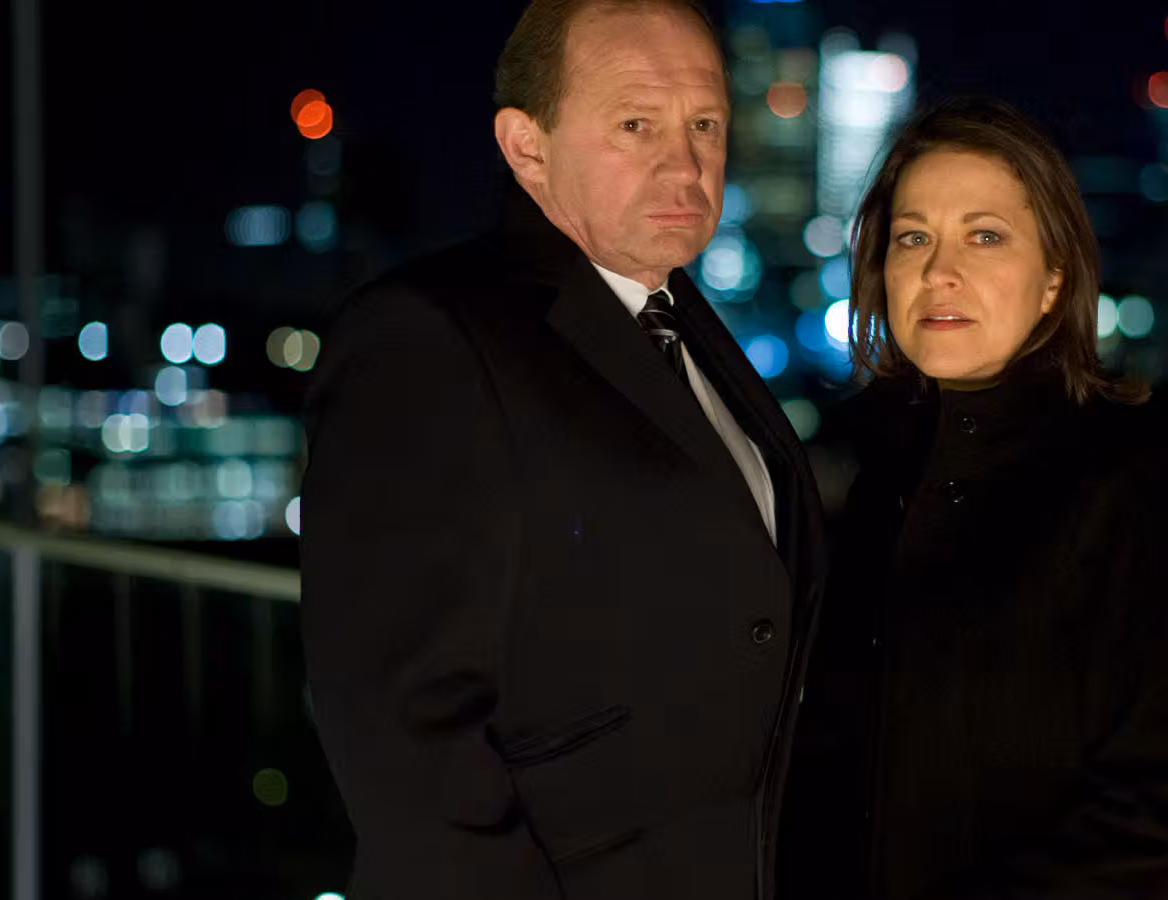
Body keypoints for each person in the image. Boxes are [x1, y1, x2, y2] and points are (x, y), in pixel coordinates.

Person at [299, 1, 827, 897]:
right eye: (636, 125)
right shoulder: (425, 337)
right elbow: (400, 729)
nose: (685, 163)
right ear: (527, 147)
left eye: (704, 124)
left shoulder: (681, 317)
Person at [777, 96, 1168, 900]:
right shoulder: (871, 466)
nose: (938, 271)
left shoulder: (1139, 481)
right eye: (913, 237)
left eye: (984, 236)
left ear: (1054, 278)